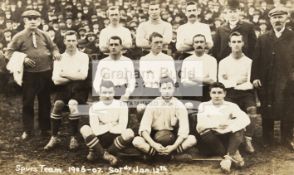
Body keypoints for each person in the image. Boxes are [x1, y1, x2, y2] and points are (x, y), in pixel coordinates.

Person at [6, 9, 61, 140]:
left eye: (35, 19)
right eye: (29, 19)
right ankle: (28, 130)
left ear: (39, 21)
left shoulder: (44, 34)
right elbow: (9, 52)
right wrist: (23, 59)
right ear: (25, 21)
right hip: (29, 75)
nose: (33, 21)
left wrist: (55, 53)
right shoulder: (19, 36)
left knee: (45, 102)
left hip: (45, 73)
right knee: (28, 102)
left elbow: (53, 47)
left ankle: (45, 129)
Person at [252, 7, 294, 150]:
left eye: (280, 17)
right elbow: (256, 59)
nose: (277, 20)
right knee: (267, 107)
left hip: (287, 80)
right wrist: (255, 77)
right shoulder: (263, 38)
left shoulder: (292, 36)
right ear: (270, 20)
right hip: (267, 79)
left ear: (286, 19)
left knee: (288, 109)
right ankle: (267, 138)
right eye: (274, 18)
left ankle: (287, 138)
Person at [43, 31, 90, 150]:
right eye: (68, 41)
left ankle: (74, 137)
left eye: (73, 40)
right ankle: (54, 137)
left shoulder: (83, 56)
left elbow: (83, 76)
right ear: (64, 42)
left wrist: (64, 74)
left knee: (72, 103)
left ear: (77, 41)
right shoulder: (59, 57)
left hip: (80, 89)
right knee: (58, 104)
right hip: (64, 89)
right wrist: (74, 76)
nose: (71, 43)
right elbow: (55, 80)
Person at [132, 76, 197, 159]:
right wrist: (153, 144)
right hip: (155, 137)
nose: (167, 92)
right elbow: (143, 129)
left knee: (192, 139)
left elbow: (184, 131)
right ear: (159, 89)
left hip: (172, 137)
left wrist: (173, 146)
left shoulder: (179, 105)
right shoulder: (153, 104)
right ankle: (172, 157)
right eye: (164, 88)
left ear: (174, 89)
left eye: (169, 88)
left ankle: (155, 155)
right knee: (136, 141)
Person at [196, 82, 250, 172]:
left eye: (219, 92)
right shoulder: (203, 105)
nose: (217, 96)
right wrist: (216, 125)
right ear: (209, 94)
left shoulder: (231, 105)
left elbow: (245, 119)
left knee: (240, 128)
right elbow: (200, 125)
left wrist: (230, 125)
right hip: (212, 138)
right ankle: (233, 154)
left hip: (227, 136)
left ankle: (227, 159)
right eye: (214, 93)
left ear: (225, 93)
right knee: (204, 132)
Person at [218, 32, 257, 153]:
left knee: (252, 110)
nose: (236, 44)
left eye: (239, 41)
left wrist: (231, 81)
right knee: (229, 114)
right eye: (233, 42)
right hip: (229, 93)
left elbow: (249, 83)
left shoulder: (249, 61)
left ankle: (248, 140)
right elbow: (221, 83)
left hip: (246, 93)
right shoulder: (223, 62)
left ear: (243, 43)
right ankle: (233, 141)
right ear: (229, 44)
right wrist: (236, 82)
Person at [80, 80, 135, 166]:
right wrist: (111, 124)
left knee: (129, 133)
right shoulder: (94, 107)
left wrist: (103, 125)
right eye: (104, 92)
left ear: (114, 92)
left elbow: (122, 128)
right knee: (85, 129)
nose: (107, 95)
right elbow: (95, 130)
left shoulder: (122, 105)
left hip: (115, 140)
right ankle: (106, 156)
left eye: (110, 92)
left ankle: (101, 152)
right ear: (100, 93)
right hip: (99, 139)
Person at [93, 36, 135, 101]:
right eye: (111, 45)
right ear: (108, 46)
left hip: (122, 92)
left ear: (121, 46)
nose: (113, 47)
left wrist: (126, 95)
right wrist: (100, 93)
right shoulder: (102, 62)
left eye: (116, 44)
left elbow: (132, 81)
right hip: (107, 91)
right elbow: (97, 81)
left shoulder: (128, 61)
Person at [181, 34, 217, 104]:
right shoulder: (187, 60)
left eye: (201, 42)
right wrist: (204, 80)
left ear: (205, 44)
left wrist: (194, 78)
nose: (199, 44)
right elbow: (184, 83)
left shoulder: (212, 60)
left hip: (206, 92)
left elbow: (212, 81)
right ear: (193, 45)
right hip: (191, 92)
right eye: (196, 42)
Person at [139, 32, 176, 98]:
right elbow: (145, 79)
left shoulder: (168, 59)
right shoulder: (144, 59)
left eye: (161, 42)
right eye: (156, 42)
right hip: (150, 91)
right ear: (150, 43)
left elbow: (173, 77)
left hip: (165, 91)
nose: (159, 45)